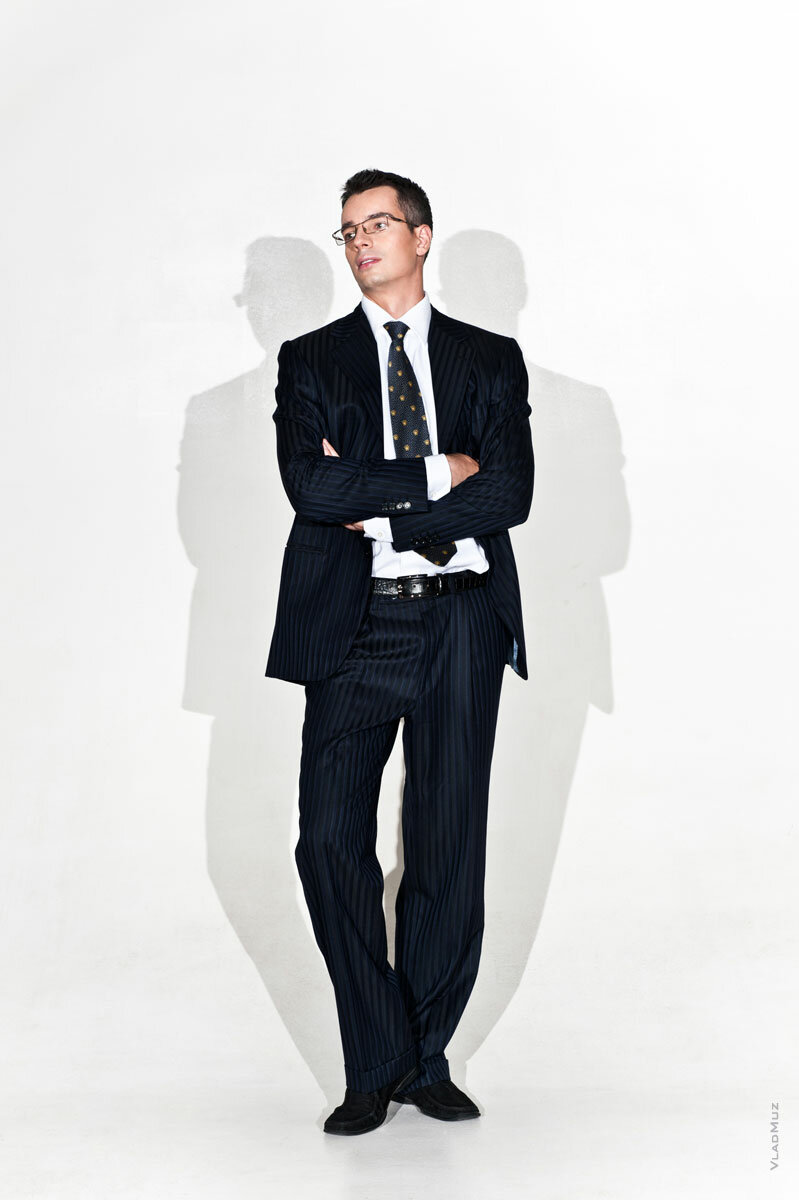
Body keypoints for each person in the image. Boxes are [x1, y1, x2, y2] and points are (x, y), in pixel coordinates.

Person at [264, 168, 534, 1135]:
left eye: (377, 224)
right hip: (355, 626)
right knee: (328, 843)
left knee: (446, 848)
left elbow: (509, 495)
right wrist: (437, 471)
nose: (360, 241)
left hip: (463, 621)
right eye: (347, 231)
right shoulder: (311, 361)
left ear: (422, 237)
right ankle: (377, 1055)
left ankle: (423, 1061)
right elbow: (310, 490)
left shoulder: (489, 358)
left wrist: (383, 511)